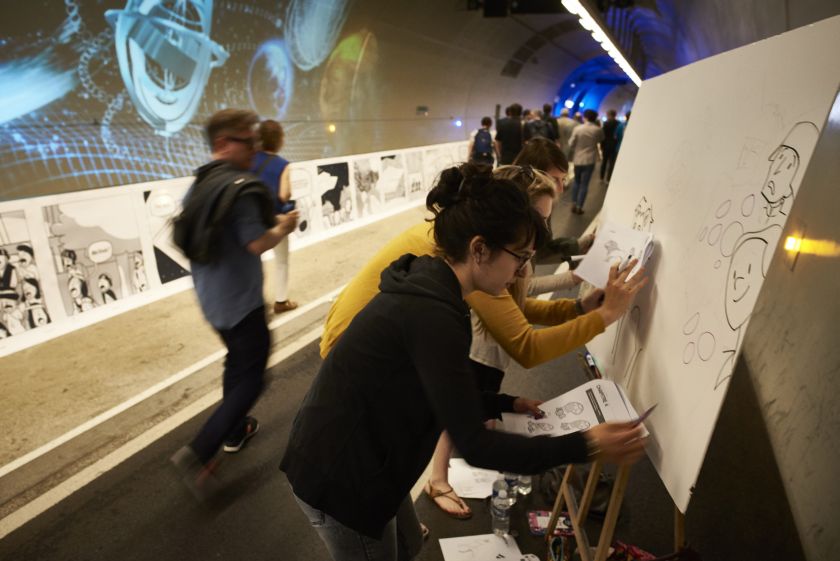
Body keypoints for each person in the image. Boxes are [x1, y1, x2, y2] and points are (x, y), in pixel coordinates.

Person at [285, 165, 646, 561]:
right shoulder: (435, 313)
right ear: (479, 249)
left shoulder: (438, 283)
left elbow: (439, 385)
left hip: (368, 456)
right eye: (519, 257)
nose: (523, 270)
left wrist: (504, 404)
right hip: (339, 477)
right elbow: (476, 445)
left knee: (408, 543)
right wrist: (588, 443)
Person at [170, 109, 299, 497]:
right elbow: (257, 242)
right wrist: (284, 226)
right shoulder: (240, 189)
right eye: (248, 141)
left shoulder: (199, 184)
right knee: (254, 376)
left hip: (211, 302)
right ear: (223, 143)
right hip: (241, 304)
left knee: (235, 362)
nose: (255, 149)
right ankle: (199, 450)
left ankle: (235, 429)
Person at [251, 119, 298, 314]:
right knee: (281, 261)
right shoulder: (283, 165)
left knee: (254, 262)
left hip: (253, 219)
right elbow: (284, 194)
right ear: (279, 140)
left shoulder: (250, 160)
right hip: (276, 219)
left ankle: (254, 304)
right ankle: (280, 301)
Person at [569, 109, 605, 214]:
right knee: (584, 184)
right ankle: (580, 207)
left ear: (585, 117)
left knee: (576, 181)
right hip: (590, 159)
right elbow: (601, 140)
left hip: (578, 158)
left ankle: (573, 203)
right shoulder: (598, 130)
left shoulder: (577, 128)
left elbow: (571, 143)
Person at [600, 109, 620, 182]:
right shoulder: (619, 123)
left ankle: (601, 177)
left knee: (604, 162)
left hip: (606, 145)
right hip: (614, 145)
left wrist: (602, 146)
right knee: (611, 163)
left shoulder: (605, 123)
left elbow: (603, 136)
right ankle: (608, 179)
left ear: (609, 115)